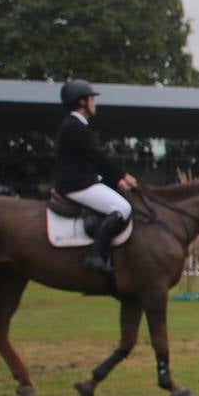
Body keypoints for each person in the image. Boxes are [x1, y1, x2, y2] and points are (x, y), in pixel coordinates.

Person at [55, 79, 137, 275]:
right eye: (92, 98)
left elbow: (90, 159)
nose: (95, 103)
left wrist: (115, 179)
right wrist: (121, 175)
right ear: (82, 102)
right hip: (77, 184)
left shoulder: (76, 125)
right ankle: (95, 256)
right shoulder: (75, 126)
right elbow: (96, 156)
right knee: (123, 208)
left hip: (83, 180)